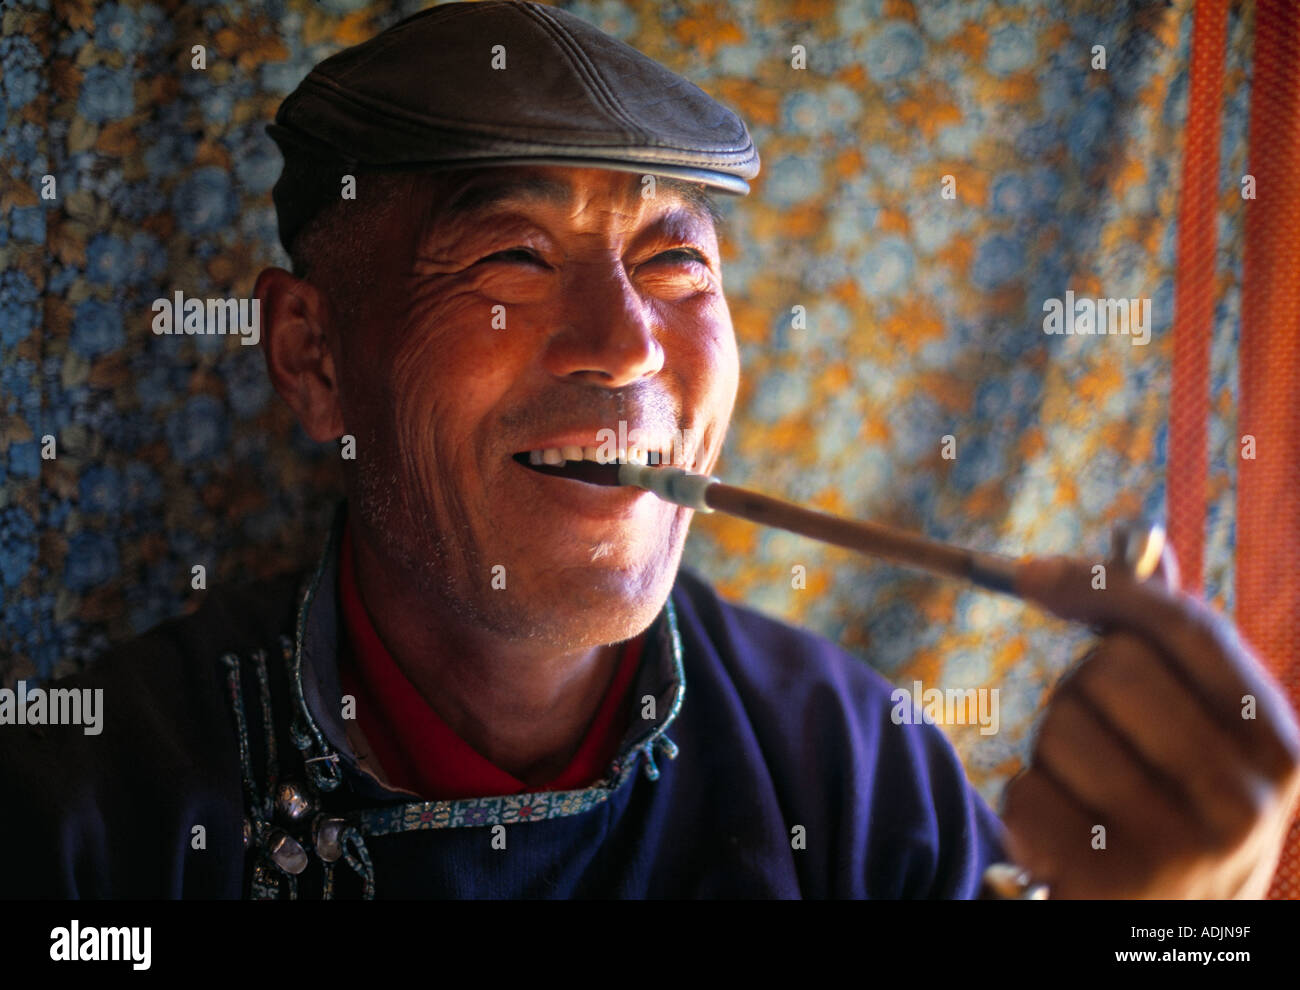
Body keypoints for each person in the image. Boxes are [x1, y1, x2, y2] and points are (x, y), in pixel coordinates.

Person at [2, 0, 1296, 899]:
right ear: (315, 358)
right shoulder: (97, 812)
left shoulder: (849, 771)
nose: (626, 346)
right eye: (513, 255)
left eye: (675, 260)